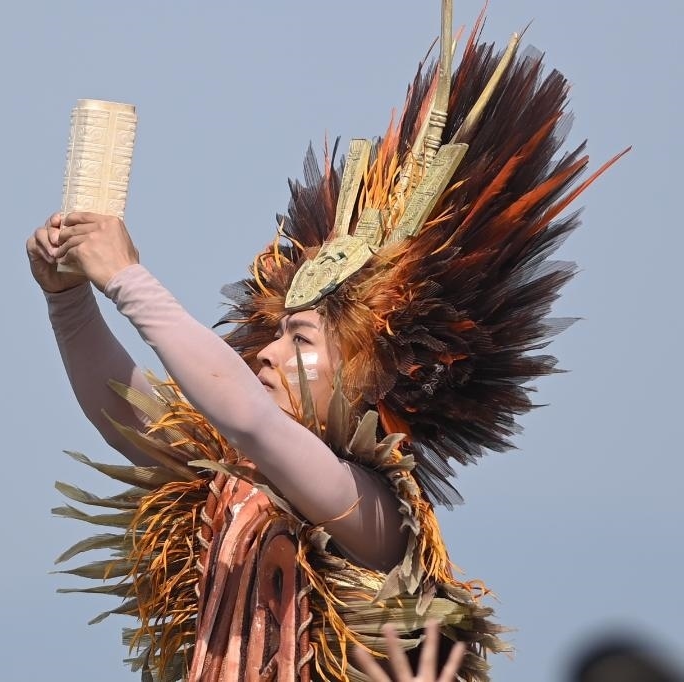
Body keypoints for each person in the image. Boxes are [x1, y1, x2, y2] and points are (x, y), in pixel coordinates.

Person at [31, 2, 624, 679]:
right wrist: (67, 298)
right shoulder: (233, 477)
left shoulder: (374, 509)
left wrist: (127, 278)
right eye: (276, 334)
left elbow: (249, 421)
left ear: (373, 374)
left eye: (303, 341)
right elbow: (130, 413)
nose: (267, 353)